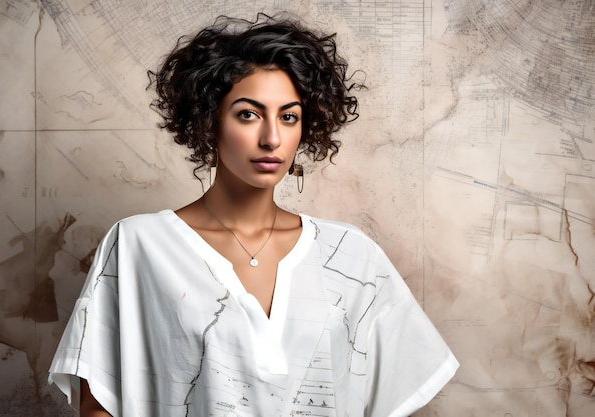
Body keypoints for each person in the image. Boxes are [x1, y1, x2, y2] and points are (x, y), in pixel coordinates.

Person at [48, 13, 458, 417]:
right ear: (209, 121)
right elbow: (99, 404)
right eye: (248, 114)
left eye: (289, 116)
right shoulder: (140, 245)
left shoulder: (351, 255)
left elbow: (394, 398)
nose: (272, 138)